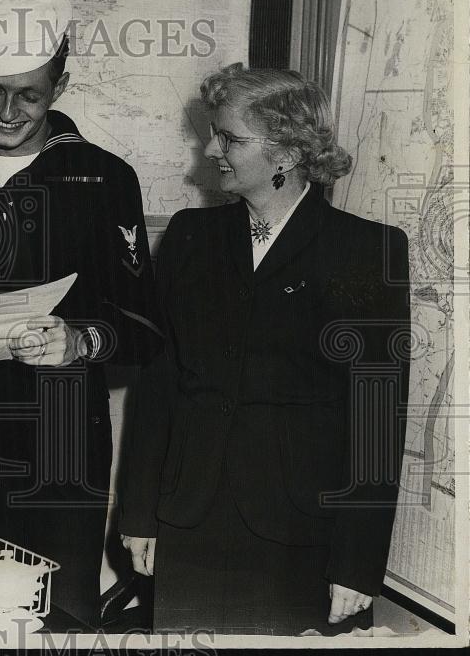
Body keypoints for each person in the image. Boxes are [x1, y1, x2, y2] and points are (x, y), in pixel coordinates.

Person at [117, 63, 410, 636]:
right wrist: (139, 513)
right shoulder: (189, 237)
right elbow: (158, 385)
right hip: (188, 519)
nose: (210, 150)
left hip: (301, 536)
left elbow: (377, 417)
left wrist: (357, 562)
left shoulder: (366, 250)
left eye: (228, 138)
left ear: (287, 152)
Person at [0, 0, 162, 625]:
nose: (7, 110)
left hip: (64, 440)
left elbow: (145, 328)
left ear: (60, 85)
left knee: (59, 616)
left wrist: (80, 340)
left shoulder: (105, 178)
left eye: (28, 94)